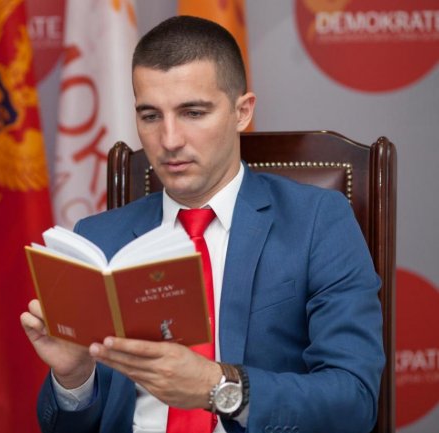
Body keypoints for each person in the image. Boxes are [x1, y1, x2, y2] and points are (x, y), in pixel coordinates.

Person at [20, 15, 384, 433]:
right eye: (150, 116)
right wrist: (74, 378)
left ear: (242, 112)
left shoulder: (317, 221)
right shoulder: (99, 238)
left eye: (192, 112)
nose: (170, 140)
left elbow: (354, 401)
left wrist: (218, 387)